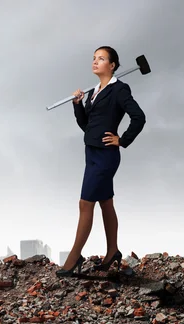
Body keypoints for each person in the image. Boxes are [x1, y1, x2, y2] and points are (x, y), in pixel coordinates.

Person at [56, 46, 146, 277]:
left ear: (112, 65)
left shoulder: (119, 90)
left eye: (102, 58)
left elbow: (139, 117)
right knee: (106, 203)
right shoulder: (94, 92)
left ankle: (73, 258)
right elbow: (87, 126)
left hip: (106, 156)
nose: (96, 62)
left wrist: (122, 140)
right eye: (94, 58)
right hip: (91, 154)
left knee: (85, 204)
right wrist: (78, 105)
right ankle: (112, 251)